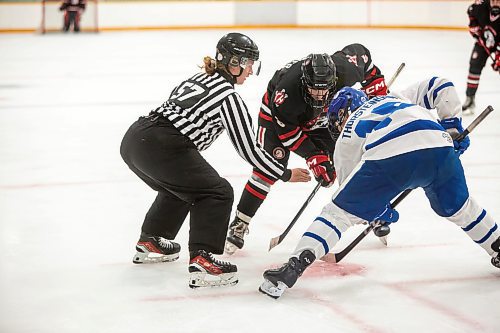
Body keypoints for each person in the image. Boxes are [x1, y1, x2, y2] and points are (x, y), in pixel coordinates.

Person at [259, 77, 500, 299]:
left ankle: (293, 266)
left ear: (342, 115)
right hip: (440, 146)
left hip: (391, 155)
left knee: (336, 215)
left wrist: (378, 212)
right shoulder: (392, 97)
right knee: (460, 208)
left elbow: (355, 204)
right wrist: (451, 127)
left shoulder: (346, 135)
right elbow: (440, 85)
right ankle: (496, 246)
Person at [120, 32, 310, 289]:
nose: (251, 71)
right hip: (163, 144)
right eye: (249, 63)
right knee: (217, 192)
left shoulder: (198, 78)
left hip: (135, 139)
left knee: (182, 188)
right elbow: (250, 151)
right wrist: (284, 173)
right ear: (234, 63)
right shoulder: (228, 97)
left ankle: (152, 240)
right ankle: (203, 259)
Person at [225, 44, 387, 255]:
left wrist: (379, 93)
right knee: (267, 170)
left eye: (324, 88)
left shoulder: (345, 70)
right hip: (278, 121)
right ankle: (240, 222)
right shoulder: (286, 95)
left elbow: (364, 58)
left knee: (350, 157)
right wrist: (315, 156)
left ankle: (373, 210)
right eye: (314, 88)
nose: (320, 94)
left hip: (321, 118)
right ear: (303, 82)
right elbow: (289, 135)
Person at [462, 0, 500, 114]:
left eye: (498, 1)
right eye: (493, 1)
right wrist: (473, 25)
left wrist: (498, 57)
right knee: (474, 66)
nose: (495, 4)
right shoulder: (480, 6)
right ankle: (470, 99)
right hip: (483, 42)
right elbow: (471, 11)